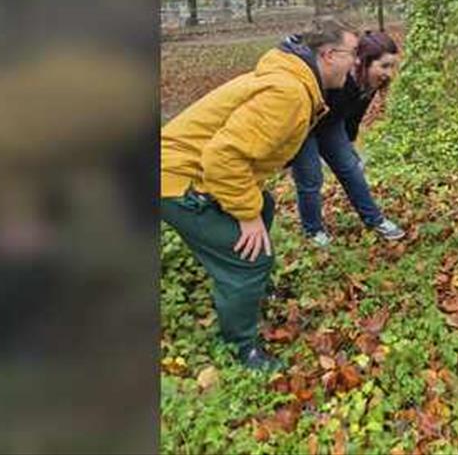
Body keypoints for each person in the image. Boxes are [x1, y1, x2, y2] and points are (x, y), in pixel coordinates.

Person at [160, 18, 358, 370]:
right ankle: (241, 350)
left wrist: (253, 208)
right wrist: (245, 215)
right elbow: (223, 158)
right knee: (248, 257)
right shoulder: (288, 93)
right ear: (328, 55)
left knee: (263, 205)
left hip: (193, 173)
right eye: (352, 54)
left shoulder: (294, 82)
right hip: (176, 180)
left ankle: (253, 293)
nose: (356, 62)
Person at [290, 31, 406, 246]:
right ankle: (313, 231)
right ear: (363, 62)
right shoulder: (338, 77)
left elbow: (352, 116)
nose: (389, 74)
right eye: (384, 66)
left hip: (330, 124)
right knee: (310, 178)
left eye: (392, 67)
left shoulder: (369, 82)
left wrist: (349, 144)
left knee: (351, 169)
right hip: (303, 125)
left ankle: (375, 220)